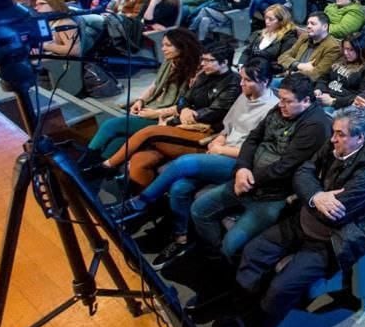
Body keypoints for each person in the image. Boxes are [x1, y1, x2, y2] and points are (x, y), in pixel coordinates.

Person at [211, 107, 365, 327]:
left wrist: (312, 193)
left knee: (281, 289)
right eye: (334, 133)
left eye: (340, 134)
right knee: (252, 253)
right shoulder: (336, 145)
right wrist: (317, 197)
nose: (333, 138)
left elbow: (332, 215)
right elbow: (302, 172)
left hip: (330, 240)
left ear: (360, 138)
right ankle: (238, 316)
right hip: (303, 219)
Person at [107, 59, 278, 270]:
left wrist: (222, 149)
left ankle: (139, 202)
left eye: (248, 80)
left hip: (239, 161)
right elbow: (227, 128)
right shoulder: (244, 96)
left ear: (266, 82)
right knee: (179, 188)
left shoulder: (273, 109)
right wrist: (220, 139)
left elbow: (256, 150)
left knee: (185, 162)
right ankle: (181, 239)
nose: (241, 84)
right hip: (221, 149)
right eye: (241, 78)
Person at [189, 73, 332, 267]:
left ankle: (229, 267)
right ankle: (216, 258)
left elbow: (286, 167)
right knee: (199, 210)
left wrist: (248, 179)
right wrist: (242, 169)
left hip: (275, 194)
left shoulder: (315, 125)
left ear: (306, 101)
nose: (281, 104)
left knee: (232, 245)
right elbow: (252, 139)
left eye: (287, 101)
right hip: (247, 177)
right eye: (280, 99)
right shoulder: (281, 108)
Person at [86, 42, 241, 189]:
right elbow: (184, 99)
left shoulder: (233, 83)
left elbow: (214, 113)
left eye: (209, 60)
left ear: (225, 62)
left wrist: (184, 115)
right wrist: (185, 109)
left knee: (149, 132)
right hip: (183, 123)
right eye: (203, 59)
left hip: (204, 133)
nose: (203, 64)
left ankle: (105, 167)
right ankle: (137, 203)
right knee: (138, 161)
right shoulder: (204, 76)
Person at [85, 29, 201, 159]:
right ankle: (93, 167)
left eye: (168, 45)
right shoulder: (169, 61)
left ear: (182, 46)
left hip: (168, 117)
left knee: (111, 125)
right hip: (153, 107)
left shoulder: (195, 73)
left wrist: (156, 113)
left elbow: (189, 104)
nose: (163, 49)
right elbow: (155, 85)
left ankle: (86, 162)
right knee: (119, 141)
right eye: (163, 45)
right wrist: (140, 100)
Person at [314, 34, 365, 110]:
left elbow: (361, 95)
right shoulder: (343, 57)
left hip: (342, 105)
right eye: (345, 49)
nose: (346, 53)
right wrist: (319, 89)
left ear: (361, 49)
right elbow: (324, 77)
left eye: (351, 50)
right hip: (324, 96)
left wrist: (333, 101)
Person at [278, 12, 341, 80]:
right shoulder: (304, 37)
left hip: (305, 83)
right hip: (288, 77)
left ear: (325, 26)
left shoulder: (333, 47)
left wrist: (292, 73)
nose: (308, 26)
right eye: (308, 23)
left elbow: (318, 73)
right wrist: (300, 65)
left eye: (313, 24)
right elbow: (282, 57)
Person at [239, 4, 298, 72]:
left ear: (281, 21)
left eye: (271, 19)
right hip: (251, 70)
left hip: (268, 73)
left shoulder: (288, 38)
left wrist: (257, 69)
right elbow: (247, 52)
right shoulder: (260, 34)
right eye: (266, 18)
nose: (267, 22)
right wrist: (241, 65)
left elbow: (282, 63)